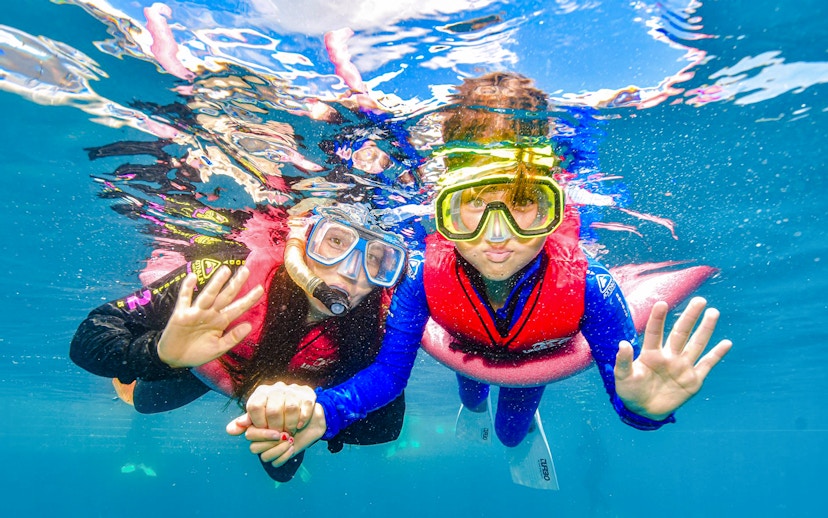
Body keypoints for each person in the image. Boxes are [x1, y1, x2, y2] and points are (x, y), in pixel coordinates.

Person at [231, 73, 732, 488]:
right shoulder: (424, 280)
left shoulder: (590, 287)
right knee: (471, 390)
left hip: (535, 358)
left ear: (551, 210)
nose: (497, 237)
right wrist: (324, 411)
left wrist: (643, 409)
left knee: (512, 429)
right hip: (466, 346)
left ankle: (506, 436)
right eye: (471, 207)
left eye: (521, 207)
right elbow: (386, 380)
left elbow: (628, 396)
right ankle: (471, 411)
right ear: (442, 210)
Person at [69, 203, 408, 482]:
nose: (352, 271)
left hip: (288, 402)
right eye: (335, 242)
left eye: (377, 259)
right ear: (302, 240)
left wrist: (312, 412)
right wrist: (160, 352)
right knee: (146, 402)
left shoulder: (377, 317)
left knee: (283, 471)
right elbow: (91, 335)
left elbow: (387, 424)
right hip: (206, 367)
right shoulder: (228, 272)